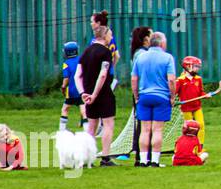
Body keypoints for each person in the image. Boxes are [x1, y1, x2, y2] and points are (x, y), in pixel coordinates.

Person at [131, 31, 177, 168]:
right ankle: (155, 161)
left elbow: (134, 79)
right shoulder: (167, 58)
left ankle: (144, 160)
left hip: (144, 96)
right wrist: (172, 96)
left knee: (145, 130)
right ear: (162, 43)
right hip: (161, 97)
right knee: (157, 130)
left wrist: (136, 96)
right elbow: (171, 80)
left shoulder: (140, 57)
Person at [76, 24, 117, 166]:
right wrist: (95, 93)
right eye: (110, 35)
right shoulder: (106, 52)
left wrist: (83, 93)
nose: (111, 38)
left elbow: (77, 76)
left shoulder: (86, 52)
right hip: (103, 93)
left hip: (87, 95)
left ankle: (88, 158)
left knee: (91, 126)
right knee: (108, 125)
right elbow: (103, 74)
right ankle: (105, 157)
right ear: (105, 36)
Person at [126, 25, 152, 162]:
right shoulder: (142, 54)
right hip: (144, 91)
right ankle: (142, 155)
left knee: (142, 123)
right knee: (145, 124)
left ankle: (141, 154)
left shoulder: (138, 53)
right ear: (146, 38)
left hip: (141, 91)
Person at [175, 56, 208, 147]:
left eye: (198, 67)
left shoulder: (198, 79)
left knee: (200, 125)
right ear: (188, 66)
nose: (197, 69)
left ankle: (200, 145)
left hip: (197, 107)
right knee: (189, 128)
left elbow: (200, 92)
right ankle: (188, 146)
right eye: (196, 66)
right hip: (186, 108)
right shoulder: (180, 80)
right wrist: (172, 100)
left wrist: (205, 95)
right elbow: (174, 92)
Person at [59, 41, 86, 131]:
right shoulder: (81, 60)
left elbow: (66, 78)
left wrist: (63, 87)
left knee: (65, 109)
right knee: (83, 109)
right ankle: (87, 130)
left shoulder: (66, 63)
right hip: (81, 89)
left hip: (71, 91)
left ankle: (62, 130)